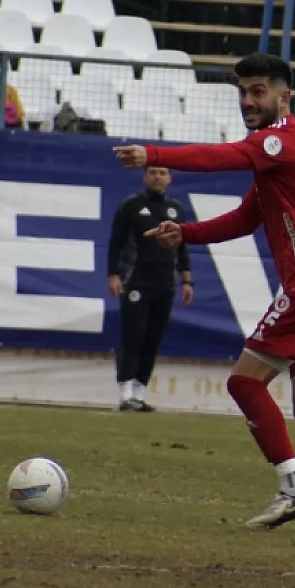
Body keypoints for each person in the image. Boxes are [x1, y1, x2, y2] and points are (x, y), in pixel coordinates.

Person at [113, 53, 295, 537]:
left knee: (245, 383)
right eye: (243, 92)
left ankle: (294, 491)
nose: (249, 101)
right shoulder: (282, 156)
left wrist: (154, 152)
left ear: (284, 95)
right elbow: (246, 218)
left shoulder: (283, 140)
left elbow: (221, 158)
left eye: (259, 92)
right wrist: (185, 232)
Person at [107, 166, 194, 412]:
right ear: (145, 176)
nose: (158, 177)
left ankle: (140, 392)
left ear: (170, 178)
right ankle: (125, 392)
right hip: (136, 280)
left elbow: (182, 248)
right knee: (133, 334)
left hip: (165, 283)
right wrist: (113, 274)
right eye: (153, 172)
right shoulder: (131, 205)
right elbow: (116, 242)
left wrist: (187, 280)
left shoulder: (176, 209)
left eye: (163, 173)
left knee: (153, 338)